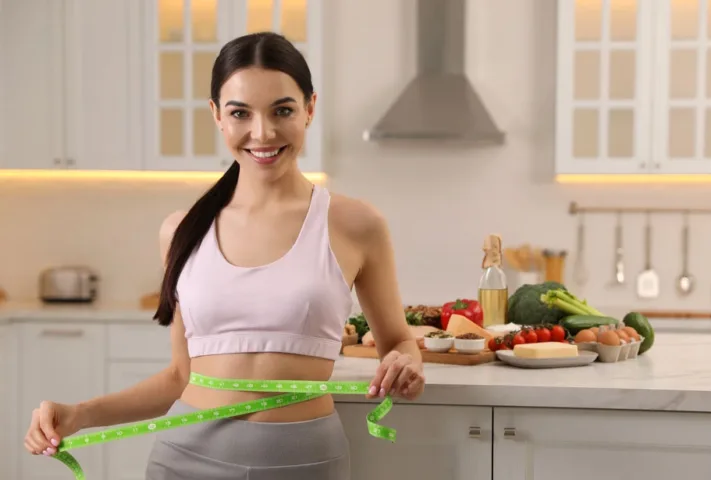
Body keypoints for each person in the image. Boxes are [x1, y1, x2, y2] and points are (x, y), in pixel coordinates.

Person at [23, 31, 425, 479]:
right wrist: (79, 413)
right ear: (217, 115)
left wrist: (406, 360)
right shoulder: (182, 230)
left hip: (306, 460)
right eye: (240, 113)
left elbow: (397, 340)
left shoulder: (354, 224)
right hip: (184, 459)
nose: (262, 132)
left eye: (283, 110)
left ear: (310, 108)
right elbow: (180, 376)